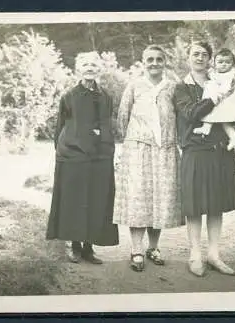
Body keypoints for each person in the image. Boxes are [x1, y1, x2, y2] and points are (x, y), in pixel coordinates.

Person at [172, 41, 235, 277]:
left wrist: (227, 98)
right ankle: (195, 254)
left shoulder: (221, 81)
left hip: (219, 148)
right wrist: (215, 99)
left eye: (204, 54)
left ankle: (214, 254)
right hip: (195, 149)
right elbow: (191, 114)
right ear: (188, 58)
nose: (200, 58)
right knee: (194, 205)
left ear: (210, 59)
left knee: (216, 204)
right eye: (195, 54)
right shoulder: (182, 88)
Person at [114, 44, 183, 272]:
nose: (154, 63)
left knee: (160, 199)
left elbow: (180, 117)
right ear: (144, 62)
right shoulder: (134, 85)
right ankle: (136, 249)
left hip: (164, 150)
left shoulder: (172, 87)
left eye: (158, 59)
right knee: (138, 197)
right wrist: (131, 144)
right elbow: (123, 116)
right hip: (138, 150)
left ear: (165, 62)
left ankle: (153, 247)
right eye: (150, 59)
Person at [46, 51, 119, 264]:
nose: (90, 68)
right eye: (85, 64)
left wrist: (103, 142)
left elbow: (106, 124)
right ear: (79, 69)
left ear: (99, 69)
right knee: (74, 201)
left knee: (96, 200)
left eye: (93, 64)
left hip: (100, 156)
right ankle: (74, 246)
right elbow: (61, 126)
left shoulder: (106, 96)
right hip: (74, 156)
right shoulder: (69, 96)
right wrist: (63, 151)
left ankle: (89, 247)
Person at [192, 48, 235, 151]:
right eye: (220, 62)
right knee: (220, 118)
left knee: (217, 116)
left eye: (228, 62)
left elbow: (226, 88)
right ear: (214, 63)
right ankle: (210, 128)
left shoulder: (229, 75)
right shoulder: (216, 73)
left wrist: (218, 95)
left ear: (233, 64)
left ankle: (228, 136)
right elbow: (212, 76)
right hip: (220, 101)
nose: (224, 64)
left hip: (224, 100)